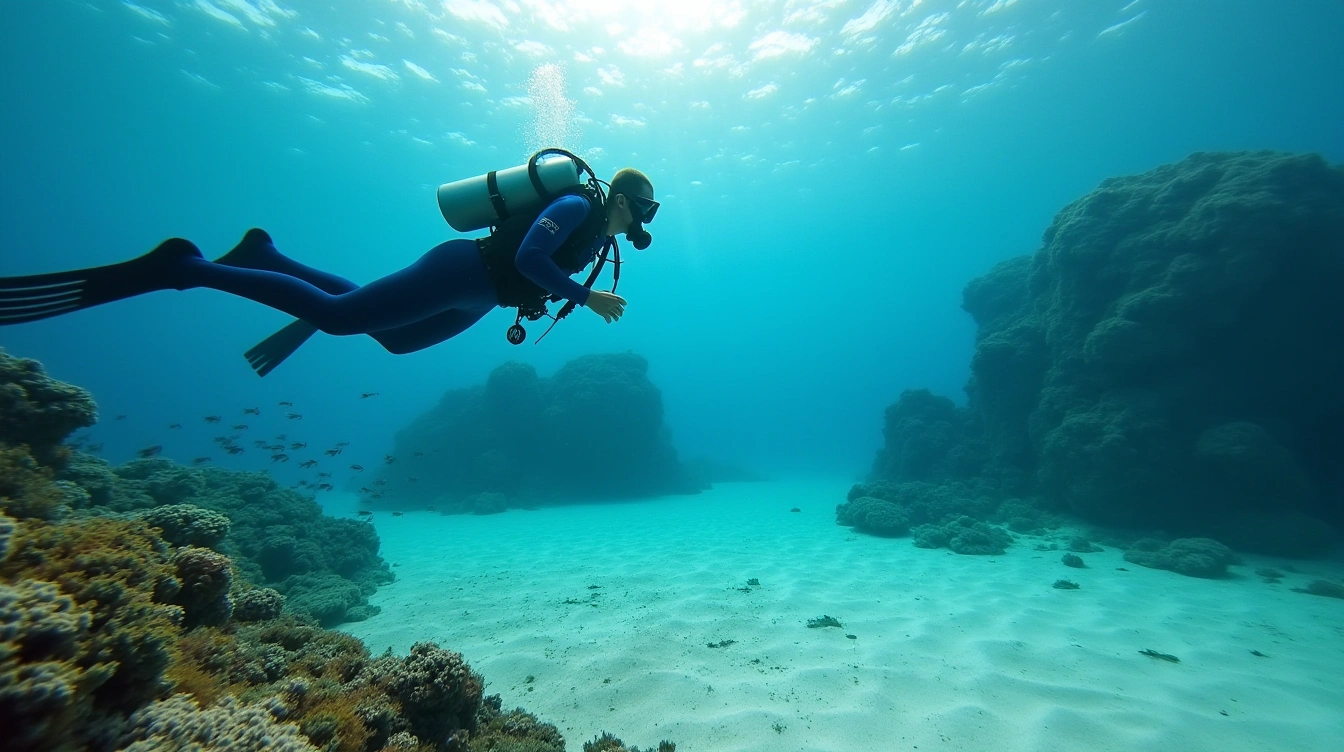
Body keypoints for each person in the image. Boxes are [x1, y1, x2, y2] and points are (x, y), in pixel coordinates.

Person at [0, 167, 659, 375]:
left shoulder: (602, 239)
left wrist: (577, 290)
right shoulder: (575, 204)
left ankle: (267, 257)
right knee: (342, 321)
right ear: (623, 200)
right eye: (645, 208)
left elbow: (534, 276)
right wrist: (587, 297)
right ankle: (189, 266)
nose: (644, 220)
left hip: (477, 299)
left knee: (396, 339)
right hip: (464, 270)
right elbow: (528, 258)